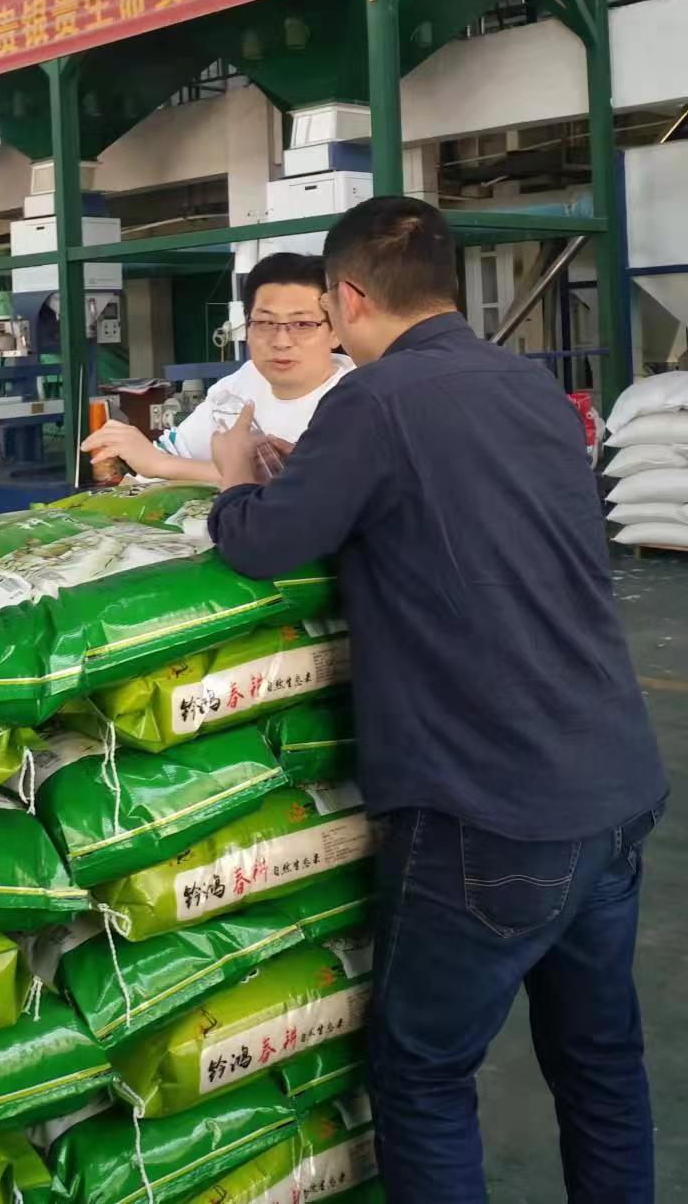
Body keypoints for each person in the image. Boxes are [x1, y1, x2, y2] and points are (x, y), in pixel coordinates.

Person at [207, 197, 666, 1204]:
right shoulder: (526, 382)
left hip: (490, 808)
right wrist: (310, 478)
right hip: (610, 781)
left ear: (347, 297)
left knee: (421, 1074)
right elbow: (462, 507)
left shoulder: (373, 400)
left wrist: (235, 480)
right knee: (599, 1060)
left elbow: (260, 544)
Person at [81, 252, 352, 483]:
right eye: (265, 323)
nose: (281, 341)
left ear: (336, 331)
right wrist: (151, 461)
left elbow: (311, 489)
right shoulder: (237, 387)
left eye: (302, 324)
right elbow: (161, 465)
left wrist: (163, 465)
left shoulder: (358, 398)